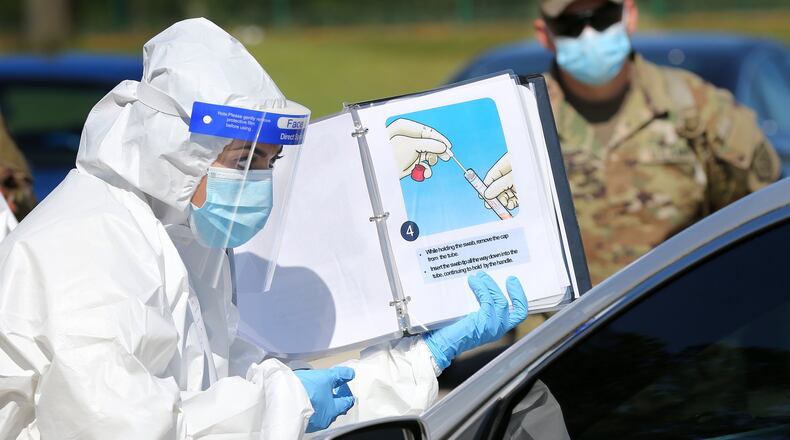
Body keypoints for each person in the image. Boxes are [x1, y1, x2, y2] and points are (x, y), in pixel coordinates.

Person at [0, 18, 528, 439]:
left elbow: (239, 383)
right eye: (243, 159)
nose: (258, 181)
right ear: (177, 147)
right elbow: (119, 428)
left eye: (270, 162)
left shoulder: (176, 237)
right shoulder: (86, 246)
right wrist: (292, 403)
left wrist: (417, 362)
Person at [483, 0, 780, 285]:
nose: (589, 35)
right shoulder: (519, 120)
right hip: (562, 333)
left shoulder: (699, 108)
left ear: (630, 15)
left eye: (603, 18)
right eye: (570, 24)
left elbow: (760, 224)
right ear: (544, 34)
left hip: (684, 325)